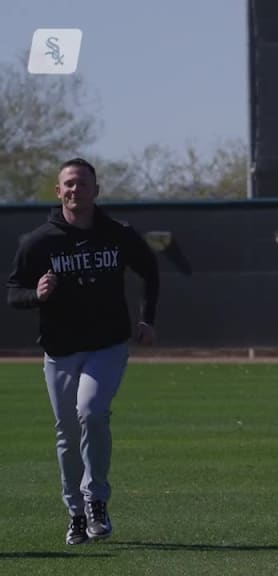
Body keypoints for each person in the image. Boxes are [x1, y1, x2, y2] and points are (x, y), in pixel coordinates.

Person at [6, 158, 160, 545]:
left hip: (107, 344)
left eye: (82, 183)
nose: (75, 190)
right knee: (67, 433)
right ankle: (74, 512)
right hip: (60, 350)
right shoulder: (39, 242)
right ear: (58, 192)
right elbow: (14, 293)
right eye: (68, 184)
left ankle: (96, 501)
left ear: (96, 189)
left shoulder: (118, 234)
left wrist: (147, 319)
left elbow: (150, 270)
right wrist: (35, 295)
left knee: (90, 412)